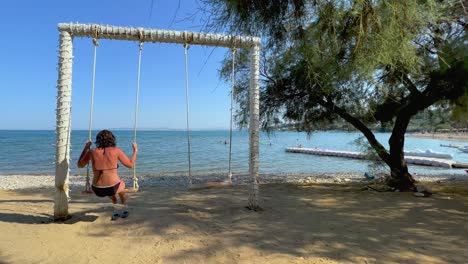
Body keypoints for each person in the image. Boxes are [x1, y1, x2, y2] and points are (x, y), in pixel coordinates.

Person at [77, 130, 138, 209]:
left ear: (98, 140)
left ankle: (114, 200)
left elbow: (79, 165)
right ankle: (123, 203)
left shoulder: (92, 151)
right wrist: (135, 150)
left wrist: (86, 148)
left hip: (97, 190)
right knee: (121, 184)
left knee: (109, 186)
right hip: (112, 188)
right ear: (112, 139)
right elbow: (130, 165)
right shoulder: (116, 150)